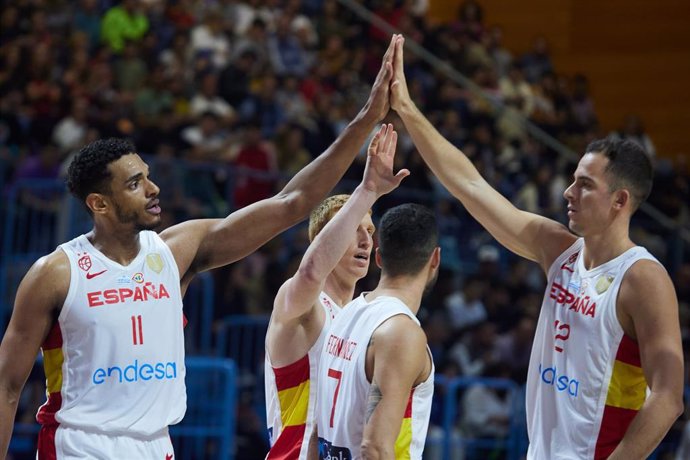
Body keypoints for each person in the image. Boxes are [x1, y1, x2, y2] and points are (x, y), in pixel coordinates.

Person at [0, 34, 401, 460]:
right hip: (77, 446)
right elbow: (7, 386)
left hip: (157, 446)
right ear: (99, 203)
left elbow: (291, 203)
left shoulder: (176, 251)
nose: (153, 189)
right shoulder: (56, 273)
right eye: (135, 184)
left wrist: (365, 121)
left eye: (148, 176)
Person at [388, 35, 684, 459]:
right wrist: (407, 110)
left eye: (585, 185)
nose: (568, 192)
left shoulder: (644, 279)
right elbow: (471, 187)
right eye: (572, 179)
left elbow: (668, 398)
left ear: (620, 201)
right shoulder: (558, 249)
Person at [265, 123, 408, 459]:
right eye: (354, 229)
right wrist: (369, 190)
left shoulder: (363, 316)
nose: (365, 239)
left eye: (370, 230)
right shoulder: (304, 307)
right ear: (321, 241)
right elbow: (312, 271)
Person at [316, 203, 439, 459]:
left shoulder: (346, 313)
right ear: (435, 259)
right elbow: (375, 448)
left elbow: (316, 431)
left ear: (379, 257)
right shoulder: (401, 332)